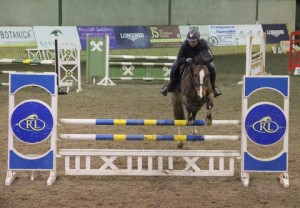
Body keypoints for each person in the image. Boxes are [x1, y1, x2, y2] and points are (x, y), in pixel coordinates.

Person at [160, 29, 222, 97]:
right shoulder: (185, 45)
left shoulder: (203, 43)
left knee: (213, 67)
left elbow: (211, 56)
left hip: (201, 61)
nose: (191, 43)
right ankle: (170, 86)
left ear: (198, 40)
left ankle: (213, 87)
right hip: (187, 60)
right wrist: (186, 60)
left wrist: (204, 60)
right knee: (174, 66)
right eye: (190, 41)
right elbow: (179, 58)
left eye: (193, 41)